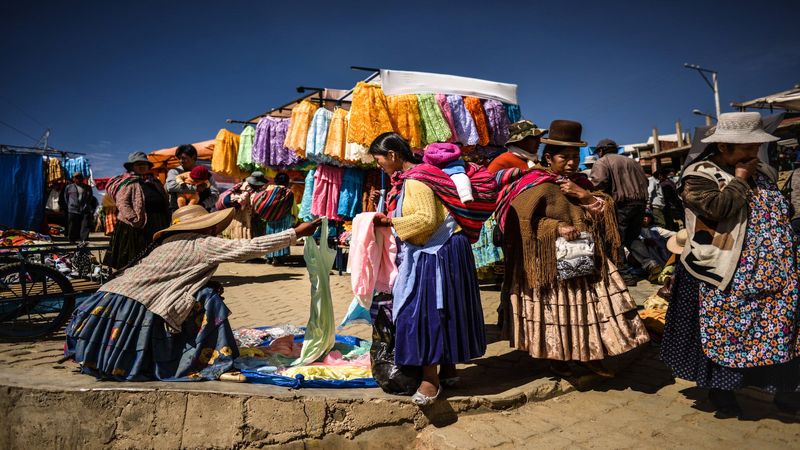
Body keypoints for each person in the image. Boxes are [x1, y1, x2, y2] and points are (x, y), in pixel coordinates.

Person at [65, 205, 321, 381]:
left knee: (206, 291)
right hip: (133, 310)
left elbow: (171, 278)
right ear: (208, 227)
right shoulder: (201, 243)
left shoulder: (167, 243)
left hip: (101, 308)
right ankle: (213, 360)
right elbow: (249, 248)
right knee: (209, 300)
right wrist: (295, 233)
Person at [661, 112, 800, 418]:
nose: (753, 152)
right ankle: (722, 392)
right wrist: (739, 179)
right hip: (725, 271)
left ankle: (784, 393)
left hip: (775, 273)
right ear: (723, 146)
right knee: (725, 332)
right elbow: (716, 208)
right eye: (745, 146)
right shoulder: (699, 175)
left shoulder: (763, 170)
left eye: (755, 145)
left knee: (781, 329)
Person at [496, 120, 650, 378]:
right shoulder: (534, 181)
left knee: (591, 310)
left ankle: (591, 354)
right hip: (550, 263)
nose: (570, 162)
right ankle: (559, 359)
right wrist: (555, 227)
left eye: (574, 157)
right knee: (557, 313)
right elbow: (519, 221)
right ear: (548, 157)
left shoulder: (581, 183)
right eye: (563, 157)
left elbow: (606, 215)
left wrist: (585, 196)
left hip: (586, 257)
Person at [369, 132, 487, 405]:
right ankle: (448, 368)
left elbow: (425, 219)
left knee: (422, 313)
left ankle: (430, 380)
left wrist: (389, 224)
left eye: (379, 161)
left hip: (438, 251)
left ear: (393, 156)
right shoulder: (420, 175)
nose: (380, 167)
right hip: (450, 249)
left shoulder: (417, 179)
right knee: (448, 309)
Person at [590, 138, 652, 283]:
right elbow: (646, 182)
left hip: (621, 205)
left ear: (600, 151)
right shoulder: (633, 162)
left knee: (615, 238)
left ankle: (624, 274)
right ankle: (650, 264)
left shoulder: (602, 161)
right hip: (640, 203)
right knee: (633, 237)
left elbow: (598, 183)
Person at [104, 152, 170, 270]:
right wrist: (133, 219)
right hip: (135, 226)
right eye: (138, 164)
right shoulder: (129, 183)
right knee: (135, 257)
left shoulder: (154, 181)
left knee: (155, 256)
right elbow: (122, 203)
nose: (141, 166)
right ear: (132, 167)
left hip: (157, 222)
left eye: (144, 164)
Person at [165, 144, 219, 212]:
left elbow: (215, 194)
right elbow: (171, 186)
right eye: (179, 158)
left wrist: (202, 205)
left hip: (201, 213)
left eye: (184, 158)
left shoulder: (206, 174)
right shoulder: (174, 172)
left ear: (193, 157)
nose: (181, 161)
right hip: (179, 213)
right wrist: (195, 188)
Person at [217, 171, 268, 241]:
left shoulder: (239, 186)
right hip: (242, 223)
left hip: (234, 221)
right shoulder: (248, 193)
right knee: (242, 242)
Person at [263, 172, 299, 265]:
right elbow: (292, 207)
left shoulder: (269, 190)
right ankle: (278, 257)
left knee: (270, 236)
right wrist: (295, 216)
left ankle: (269, 257)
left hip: (270, 217)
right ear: (287, 182)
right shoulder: (288, 192)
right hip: (283, 218)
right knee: (281, 237)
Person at [59, 172, 97, 243]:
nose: (78, 179)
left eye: (79, 177)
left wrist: (87, 205)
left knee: (85, 225)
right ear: (73, 179)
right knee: (72, 225)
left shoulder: (87, 187)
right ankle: (72, 239)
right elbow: (66, 197)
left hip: (85, 209)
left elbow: (90, 197)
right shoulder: (69, 187)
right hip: (72, 209)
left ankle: (84, 239)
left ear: (82, 178)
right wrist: (70, 205)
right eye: (76, 177)